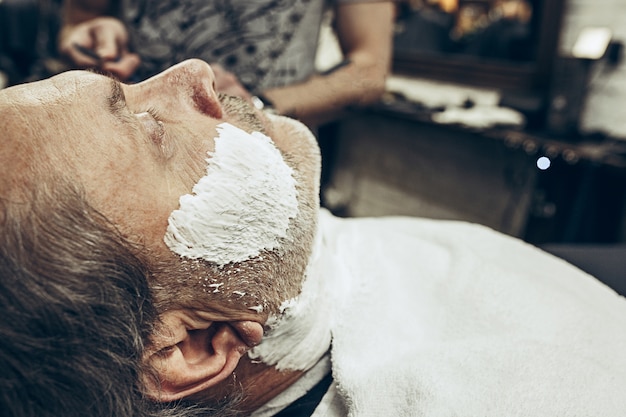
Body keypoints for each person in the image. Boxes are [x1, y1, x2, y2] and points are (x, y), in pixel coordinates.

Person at [2, 59, 626, 416]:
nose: (193, 73)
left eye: (127, 84)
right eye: (149, 126)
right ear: (193, 346)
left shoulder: (259, 283)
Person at [57, 0, 395, 127]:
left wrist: (257, 107)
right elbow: (80, 19)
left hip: (258, 160)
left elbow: (368, 71)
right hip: (130, 138)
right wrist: (96, 36)